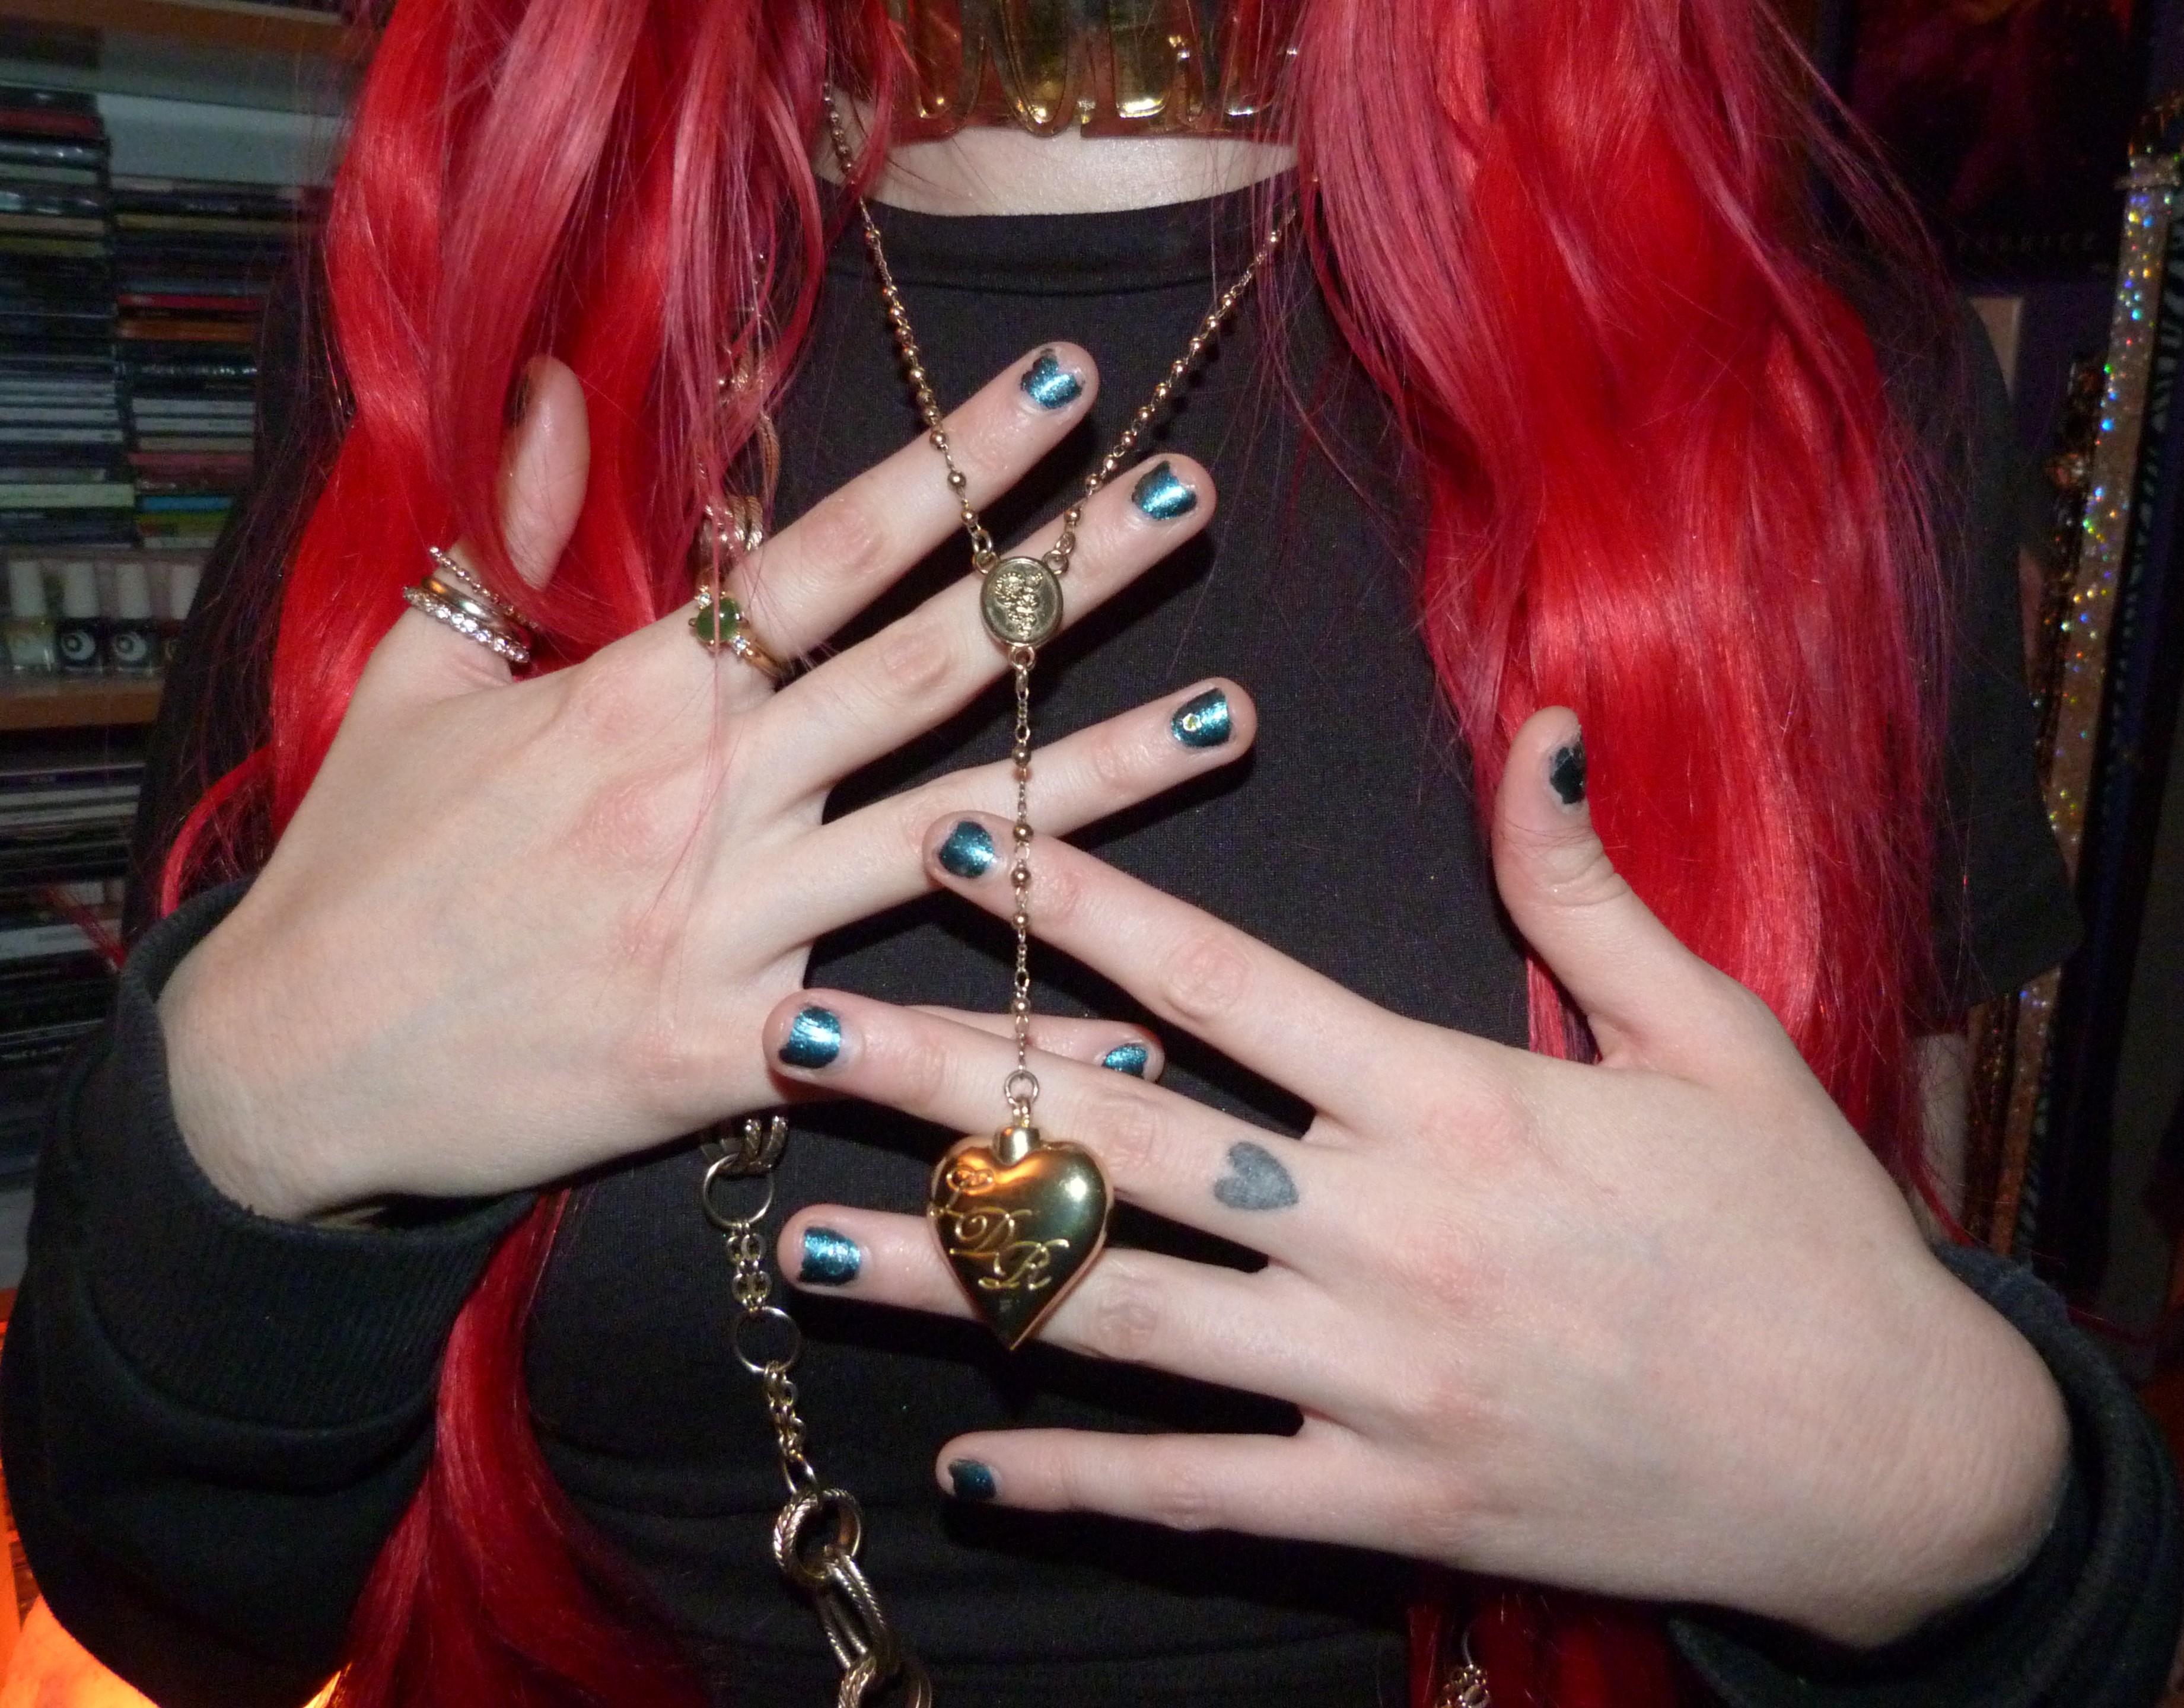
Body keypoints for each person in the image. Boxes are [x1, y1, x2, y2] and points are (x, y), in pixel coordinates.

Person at [5, 2, 2177, 1705]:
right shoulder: (464, 333)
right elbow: (171, 1604)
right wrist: (259, 1117)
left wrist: (1963, 1513)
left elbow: (1930, 1463)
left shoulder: (1797, 381)